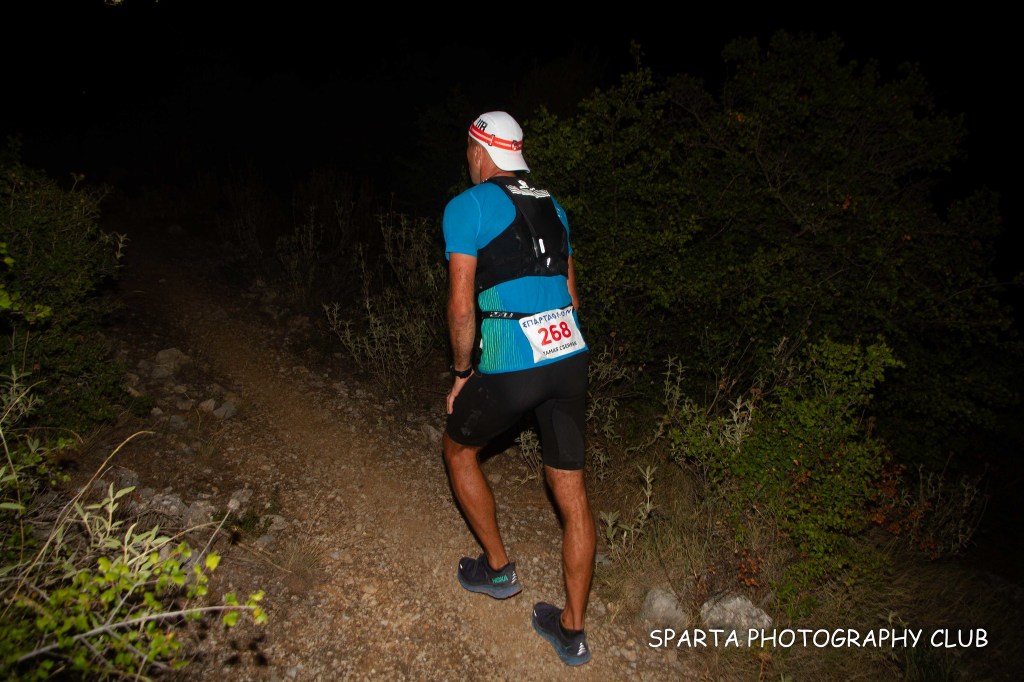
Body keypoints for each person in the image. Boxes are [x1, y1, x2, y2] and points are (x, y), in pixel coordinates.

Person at [441, 110, 595, 667]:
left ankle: (498, 569)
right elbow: (571, 297)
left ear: (481, 152)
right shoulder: (555, 207)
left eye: (469, 149)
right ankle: (572, 631)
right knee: (572, 495)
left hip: (513, 360)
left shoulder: (468, 205)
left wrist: (463, 374)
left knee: (458, 451)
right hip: (568, 356)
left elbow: (462, 307)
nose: (468, 158)